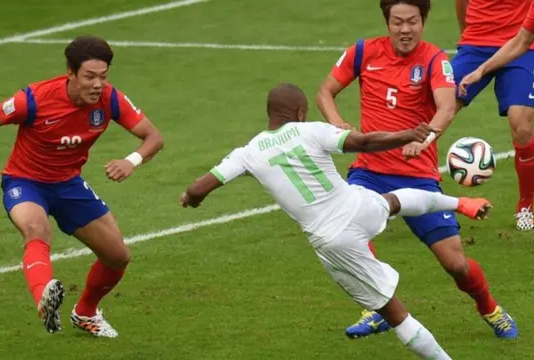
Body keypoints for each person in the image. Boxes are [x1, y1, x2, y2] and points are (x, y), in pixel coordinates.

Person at [180, 83, 493, 359]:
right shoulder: (312, 130)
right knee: (395, 200)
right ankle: (460, 203)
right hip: (356, 205)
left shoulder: (247, 153)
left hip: (333, 239)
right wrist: (407, 135)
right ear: (300, 112)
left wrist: (191, 199)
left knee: (395, 314)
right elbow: (365, 143)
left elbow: (198, 188)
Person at [0, 36, 164, 338]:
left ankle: (85, 313)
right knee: (36, 229)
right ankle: (46, 297)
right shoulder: (34, 99)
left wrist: (131, 161)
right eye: (89, 76)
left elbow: (153, 137)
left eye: (103, 76)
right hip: (24, 182)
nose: (98, 84)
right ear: (70, 72)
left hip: (68, 184)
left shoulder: (110, 100)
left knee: (117, 256)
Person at [316, 0, 517, 339]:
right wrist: (341, 130)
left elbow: (446, 106)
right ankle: (377, 308)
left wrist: (426, 140)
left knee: (456, 264)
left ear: (423, 21)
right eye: (397, 22)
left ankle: (489, 307)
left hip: (418, 176)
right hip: (369, 171)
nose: (404, 30)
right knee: (347, 230)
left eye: (412, 22)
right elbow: (325, 92)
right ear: (387, 22)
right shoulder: (364, 51)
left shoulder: (435, 60)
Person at [452, 0, 534, 231]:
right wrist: (468, 33)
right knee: (436, 109)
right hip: (476, 42)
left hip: (523, 43)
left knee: (521, 124)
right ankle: (419, 192)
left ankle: (525, 206)